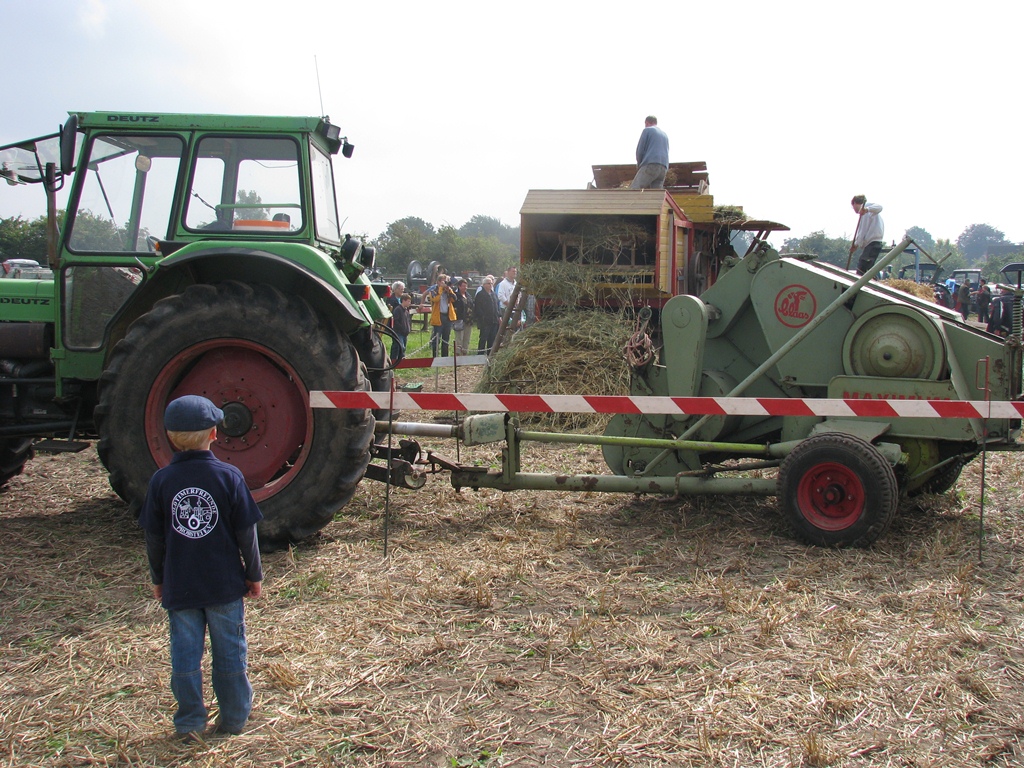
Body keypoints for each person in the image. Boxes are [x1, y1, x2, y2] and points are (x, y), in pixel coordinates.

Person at [138, 395, 263, 741]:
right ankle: (234, 718)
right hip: (224, 585)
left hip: (181, 585)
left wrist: (159, 578)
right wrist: (254, 573)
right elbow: (246, 533)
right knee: (230, 653)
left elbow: (154, 538)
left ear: (170, 436)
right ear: (214, 434)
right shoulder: (229, 476)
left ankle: (190, 722)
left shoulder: (161, 481)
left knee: (185, 657)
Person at [629, 116, 670, 190]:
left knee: (635, 188)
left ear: (646, 123)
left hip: (651, 164)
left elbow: (640, 150)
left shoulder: (647, 130)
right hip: (663, 168)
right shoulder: (665, 135)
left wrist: (639, 165)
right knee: (656, 193)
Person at [848, 195, 884, 276]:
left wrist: (867, 209)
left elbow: (880, 207)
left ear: (855, 203)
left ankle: (863, 282)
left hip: (873, 242)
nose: (854, 209)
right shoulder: (863, 215)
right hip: (872, 244)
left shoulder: (868, 207)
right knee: (867, 267)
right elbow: (862, 232)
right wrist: (855, 245)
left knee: (862, 266)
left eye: (853, 207)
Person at [426, 273, 456, 357]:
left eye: (446, 282)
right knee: (436, 339)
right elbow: (435, 299)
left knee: (446, 339)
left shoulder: (448, 290)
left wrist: (449, 290)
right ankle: (435, 357)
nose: (445, 283)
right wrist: (441, 289)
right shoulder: (433, 290)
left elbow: (454, 299)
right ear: (438, 282)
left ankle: (444, 358)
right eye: (443, 281)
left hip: (448, 317)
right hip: (438, 317)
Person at [475, 276, 501, 354]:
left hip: (494, 320)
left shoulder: (494, 294)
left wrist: (499, 316)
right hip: (485, 322)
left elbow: (497, 305)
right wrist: (483, 317)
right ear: (484, 285)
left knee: (492, 339)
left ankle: (490, 354)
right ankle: (480, 355)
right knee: (483, 339)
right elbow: (477, 308)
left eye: (491, 283)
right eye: (488, 283)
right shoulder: (480, 294)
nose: (490, 285)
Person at [452, 278, 474, 355]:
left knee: (466, 339)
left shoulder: (468, 295)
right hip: (459, 320)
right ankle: (458, 355)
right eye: (463, 286)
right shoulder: (455, 295)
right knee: (459, 339)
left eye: (466, 286)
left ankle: (465, 354)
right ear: (459, 286)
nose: (465, 287)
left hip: (468, 320)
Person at [391, 293, 413, 360]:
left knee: (403, 348)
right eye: (408, 301)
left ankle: (401, 361)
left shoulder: (406, 311)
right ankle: (393, 360)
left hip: (405, 333)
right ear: (403, 300)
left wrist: (408, 329)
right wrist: (402, 329)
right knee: (399, 346)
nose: (409, 303)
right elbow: (396, 321)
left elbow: (408, 321)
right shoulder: (398, 310)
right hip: (398, 332)